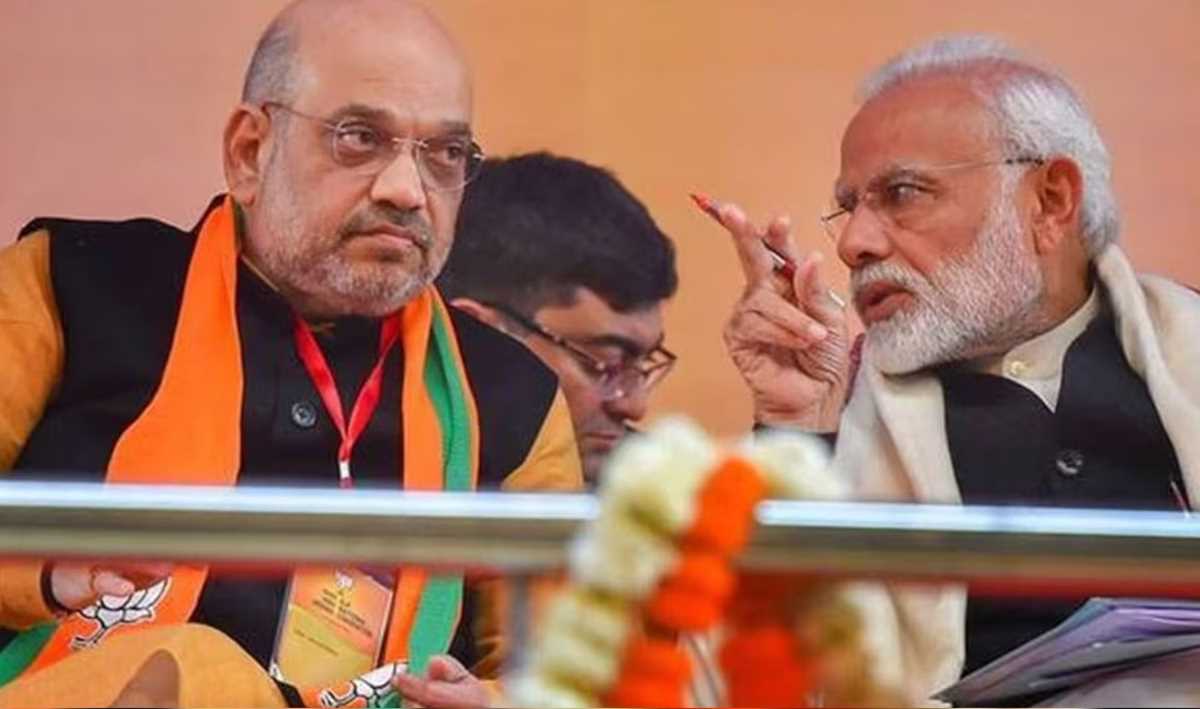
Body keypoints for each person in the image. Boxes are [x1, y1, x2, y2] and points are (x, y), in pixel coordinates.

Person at [0, 1, 581, 707]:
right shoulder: (69, 287)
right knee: (193, 668)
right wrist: (45, 574)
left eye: (445, 154)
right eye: (359, 138)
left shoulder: (513, 402)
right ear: (250, 152)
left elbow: (573, 672)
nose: (407, 191)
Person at [720, 34, 1200, 702]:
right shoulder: (838, 409)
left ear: (1051, 201)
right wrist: (795, 429)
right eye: (850, 206)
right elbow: (760, 676)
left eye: (902, 193)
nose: (855, 243)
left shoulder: (1183, 353)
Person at [438, 152, 679, 485]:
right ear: (474, 335)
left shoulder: (659, 492)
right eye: (605, 364)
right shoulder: (378, 479)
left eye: (643, 365)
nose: (635, 407)